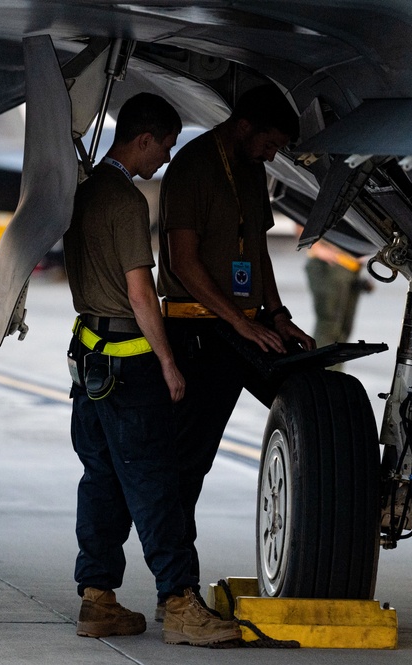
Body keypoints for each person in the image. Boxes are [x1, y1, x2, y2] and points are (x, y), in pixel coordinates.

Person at [63, 92, 241, 647]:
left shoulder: (85, 191)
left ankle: (97, 598)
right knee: (156, 483)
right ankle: (180, 603)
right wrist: (168, 362)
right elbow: (141, 294)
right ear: (143, 139)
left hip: (89, 359)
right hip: (129, 365)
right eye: (164, 147)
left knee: (101, 479)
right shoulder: (126, 201)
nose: (166, 159)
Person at [157, 84, 315, 602]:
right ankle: (176, 593)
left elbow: (258, 251)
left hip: (245, 324)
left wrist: (277, 315)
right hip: (199, 330)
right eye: (269, 144)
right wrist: (238, 324)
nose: (272, 155)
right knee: (187, 465)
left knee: (311, 388)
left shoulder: (250, 167)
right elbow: (183, 263)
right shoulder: (193, 168)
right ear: (244, 126)